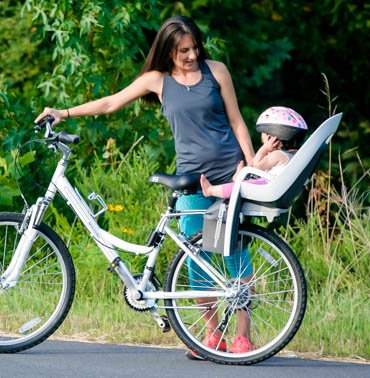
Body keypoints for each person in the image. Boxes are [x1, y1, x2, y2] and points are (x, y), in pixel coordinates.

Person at [35, 15, 256, 358]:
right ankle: (212, 336)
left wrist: (251, 167)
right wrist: (63, 112)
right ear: (168, 51)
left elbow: (237, 122)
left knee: (234, 254)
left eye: (194, 47)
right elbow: (110, 103)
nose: (191, 55)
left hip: (229, 174)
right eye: (183, 50)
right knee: (195, 260)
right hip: (192, 181)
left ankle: (244, 337)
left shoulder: (217, 71)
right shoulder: (158, 80)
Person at [200, 106, 308, 199]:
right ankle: (238, 177)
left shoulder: (278, 155)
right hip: (273, 187)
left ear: (271, 136)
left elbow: (257, 165)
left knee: (237, 188)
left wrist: (265, 148)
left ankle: (210, 190)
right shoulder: (294, 155)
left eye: (263, 133)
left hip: (267, 188)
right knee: (244, 180)